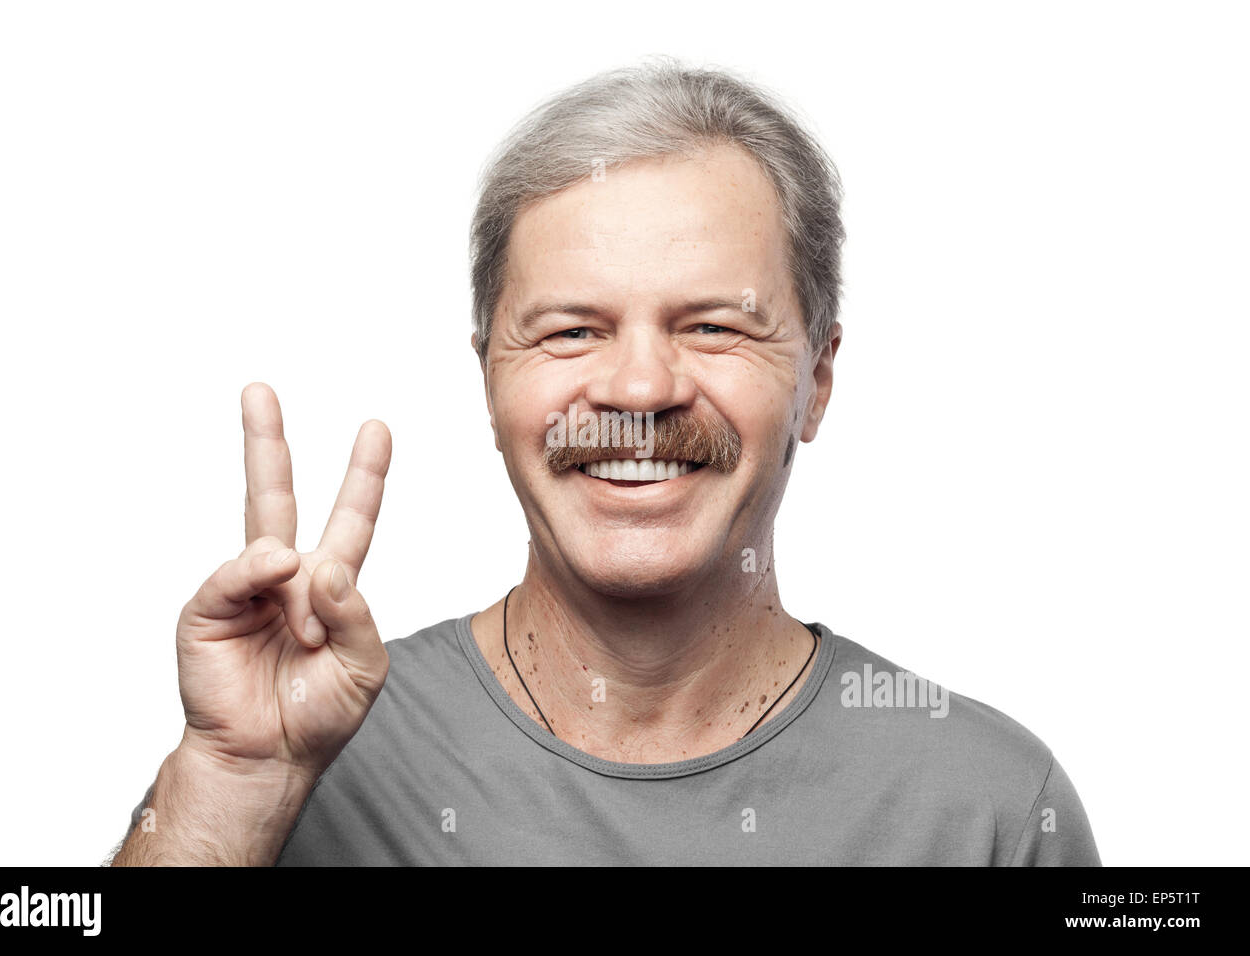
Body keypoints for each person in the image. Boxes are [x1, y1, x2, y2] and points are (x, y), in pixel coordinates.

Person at [112, 60, 1100, 866]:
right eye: (571, 331)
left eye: (712, 325)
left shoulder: (988, 810)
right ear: (490, 379)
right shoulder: (311, 745)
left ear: (817, 379)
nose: (638, 390)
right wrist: (227, 787)